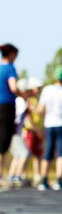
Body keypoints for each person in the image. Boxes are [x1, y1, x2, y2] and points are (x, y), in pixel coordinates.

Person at [36, 66, 62, 191]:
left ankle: (44, 180)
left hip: (49, 124)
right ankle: (59, 180)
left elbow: (41, 109)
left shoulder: (47, 90)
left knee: (47, 152)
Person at [6, 78, 33, 187]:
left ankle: (12, 175)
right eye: (27, 91)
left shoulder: (17, 101)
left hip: (13, 132)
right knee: (25, 153)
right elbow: (17, 118)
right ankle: (18, 176)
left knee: (17, 155)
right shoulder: (21, 101)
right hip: (14, 132)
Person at [0, 44, 18, 176]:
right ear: (11, 54)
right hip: (6, 107)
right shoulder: (10, 68)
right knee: (4, 141)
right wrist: (24, 94)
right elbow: (13, 88)